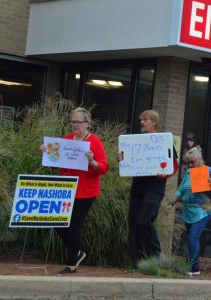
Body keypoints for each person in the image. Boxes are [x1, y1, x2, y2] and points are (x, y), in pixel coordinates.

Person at [40, 107, 108, 274]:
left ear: (87, 123)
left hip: (86, 191)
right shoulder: (67, 139)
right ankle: (76, 252)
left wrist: (92, 162)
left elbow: (104, 167)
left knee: (74, 226)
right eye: (72, 122)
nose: (75, 125)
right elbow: (56, 164)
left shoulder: (95, 142)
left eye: (78, 122)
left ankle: (71, 264)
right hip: (67, 189)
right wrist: (47, 153)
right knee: (57, 222)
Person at [118, 110, 178, 267]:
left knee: (144, 221)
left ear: (154, 123)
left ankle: (157, 256)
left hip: (154, 188)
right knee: (133, 224)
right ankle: (136, 262)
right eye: (141, 120)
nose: (142, 123)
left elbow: (175, 164)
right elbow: (128, 161)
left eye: (145, 120)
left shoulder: (163, 141)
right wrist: (122, 159)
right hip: (137, 186)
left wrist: (164, 173)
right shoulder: (135, 141)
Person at [164, 146, 211, 276]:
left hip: (202, 211)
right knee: (191, 239)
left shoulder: (210, 172)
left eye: (192, 162)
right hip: (189, 211)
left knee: (193, 238)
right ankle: (194, 267)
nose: (190, 165)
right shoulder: (190, 173)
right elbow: (181, 190)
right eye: (188, 163)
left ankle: (192, 267)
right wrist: (171, 203)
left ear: (200, 159)